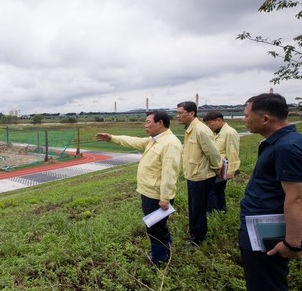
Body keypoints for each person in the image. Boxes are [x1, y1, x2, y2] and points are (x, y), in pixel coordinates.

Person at [231, 93, 302, 291]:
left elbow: (297, 198)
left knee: (270, 287)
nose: (244, 120)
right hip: (256, 228)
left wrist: (293, 243)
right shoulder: (278, 143)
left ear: (265, 118)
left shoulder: (288, 147)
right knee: (260, 281)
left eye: (246, 115)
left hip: (269, 232)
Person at [96, 111, 182, 265]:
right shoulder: (154, 140)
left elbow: (170, 173)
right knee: (155, 225)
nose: (145, 125)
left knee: (156, 228)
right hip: (149, 192)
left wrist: (165, 197)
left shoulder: (170, 143)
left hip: (157, 196)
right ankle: (163, 254)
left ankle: (160, 260)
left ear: (160, 123)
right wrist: (112, 138)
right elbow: (134, 141)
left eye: (148, 122)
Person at [176, 101, 222, 246]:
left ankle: (198, 239)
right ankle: (194, 234)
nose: (178, 116)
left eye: (180, 113)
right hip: (193, 175)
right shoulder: (190, 128)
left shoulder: (200, 130)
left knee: (198, 210)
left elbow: (213, 154)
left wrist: (216, 169)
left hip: (201, 176)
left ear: (191, 113)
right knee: (194, 208)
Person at [202, 111, 241, 212]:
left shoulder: (229, 132)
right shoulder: (218, 132)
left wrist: (231, 171)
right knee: (218, 191)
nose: (208, 126)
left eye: (209, 123)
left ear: (219, 120)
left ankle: (213, 213)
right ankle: (221, 211)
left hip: (224, 167)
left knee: (212, 191)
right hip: (216, 168)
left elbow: (233, 152)